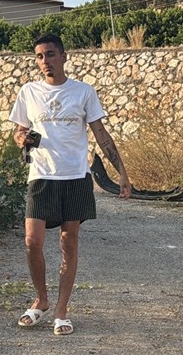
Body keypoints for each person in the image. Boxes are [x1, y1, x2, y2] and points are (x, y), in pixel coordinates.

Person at [9, 33, 132, 335]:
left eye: (50, 54)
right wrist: (21, 139)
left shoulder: (83, 92)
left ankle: (62, 311)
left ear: (64, 56)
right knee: (32, 241)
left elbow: (101, 134)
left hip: (75, 176)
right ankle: (41, 300)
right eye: (39, 56)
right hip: (41, 176)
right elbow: (19, 132)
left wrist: (122, 174)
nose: (45, 62)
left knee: (68, 242)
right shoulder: (29, 92)